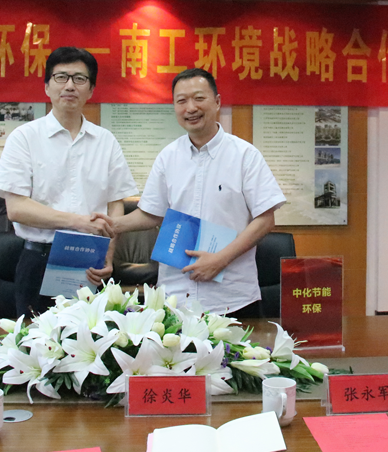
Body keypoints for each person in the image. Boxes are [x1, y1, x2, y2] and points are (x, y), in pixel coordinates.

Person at [93, 68, 285, 316]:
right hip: (175, 297)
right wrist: (111, 224)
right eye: (181, 101)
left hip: (231, 297)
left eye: (199, 98)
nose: (190, 108)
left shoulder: (245, 156)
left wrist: (220, 259)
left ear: (217, 102)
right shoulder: (168, 157)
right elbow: (151, 214)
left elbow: (265, 219)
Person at [0, 47, 138, 317]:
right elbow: (17, 209)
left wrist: (108, 254)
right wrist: (79, 222)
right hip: (39, 260)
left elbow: (115, 203)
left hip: (90, 261)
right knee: (37, 339)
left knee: (92, 338)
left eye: (79, 79)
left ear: (91, 90)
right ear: (47, 86)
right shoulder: (24, 137)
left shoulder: (105, 141)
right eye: (61, 77)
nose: (70, 85)